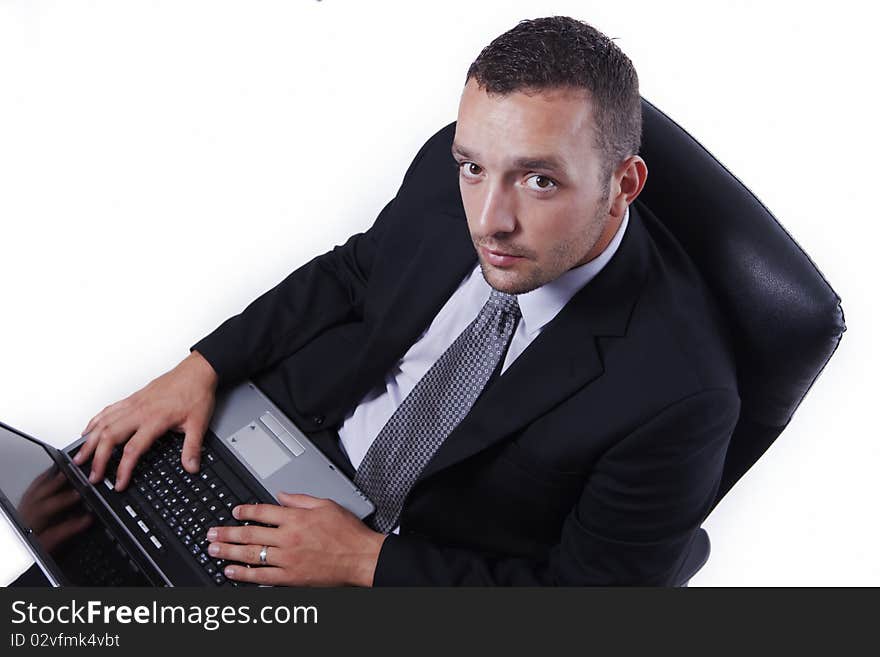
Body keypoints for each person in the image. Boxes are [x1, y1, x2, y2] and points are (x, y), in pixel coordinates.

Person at [73, 16, 740, 586]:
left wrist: (366, 561)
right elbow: (352, 273)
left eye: (539, 180)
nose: (488, 219)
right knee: (73, 556)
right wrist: (200, 368)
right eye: (474, 166)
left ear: (623, 182)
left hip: (412, 565)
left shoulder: (682, 393)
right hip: (282, 449)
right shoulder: (451, 171)